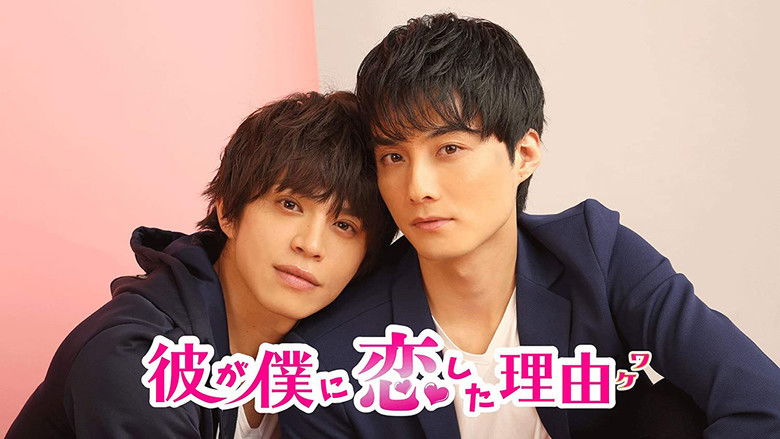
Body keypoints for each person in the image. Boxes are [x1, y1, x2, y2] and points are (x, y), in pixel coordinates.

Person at [278, 13, 780, 438]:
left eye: (449, 148)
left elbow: (762, 403)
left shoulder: (595, 257)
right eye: (393, 156)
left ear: (524, 154)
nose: (418, 187)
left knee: (671, 411)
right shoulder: (331, 356)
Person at [7, 91, 396, 438]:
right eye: (289, 205)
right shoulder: (139, 357)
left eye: (344, 225)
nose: (310, 245)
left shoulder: (331, 362)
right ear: (228, 211)